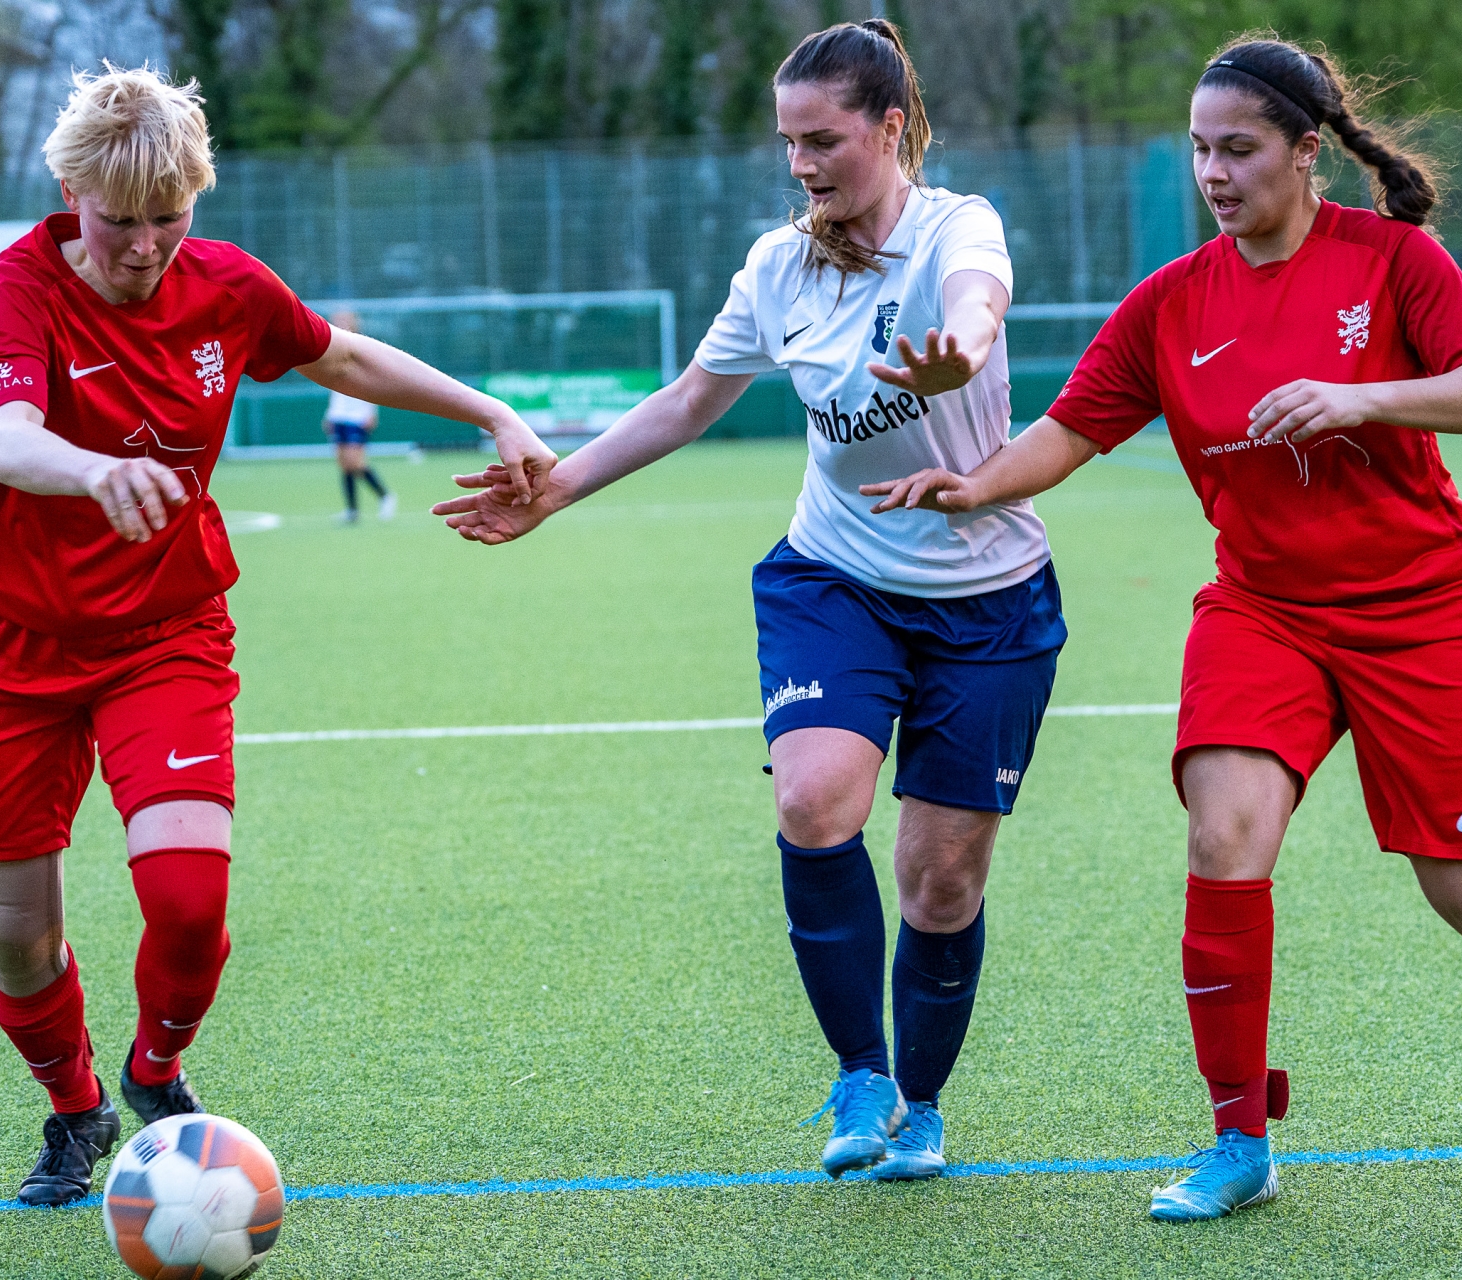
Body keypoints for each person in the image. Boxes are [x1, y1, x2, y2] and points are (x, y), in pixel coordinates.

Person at [861, 36, 1462, 1221]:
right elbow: (1073, 429)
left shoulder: (1392, 261)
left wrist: (1361, 396)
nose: (1213, 173)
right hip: (1263, 610)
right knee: (1224, 835)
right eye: (1199, 150)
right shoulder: (1173, 303)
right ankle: (1239, 1137)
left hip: (1425, 611)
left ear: (1305, 151)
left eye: (1237, 149)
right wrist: (975, 484)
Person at [435, 20, 1062, 1181]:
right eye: (788, 142)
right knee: (816, 801)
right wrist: (556, 489)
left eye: (824, 139)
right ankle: (861, 1070)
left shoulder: (955, 227)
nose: (803, 163)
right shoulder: (779, 268)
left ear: (891, 127)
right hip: (836, 577)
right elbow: (687, 400)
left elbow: (981, 300)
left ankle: (921, 1103)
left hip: (990, 600)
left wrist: (962, 349)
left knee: (941, 877)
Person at [0, 65, 554, 1206]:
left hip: (164, 629)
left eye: (168, 218)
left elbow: (342, 357)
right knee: (17, 935)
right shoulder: (20, 286)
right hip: (6, 644)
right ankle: (75, 1104)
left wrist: (490, 410)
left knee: (189, 900)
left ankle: (152, 1068)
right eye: (120, 221)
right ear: (73, 194)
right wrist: (94, 470)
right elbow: (8, 439)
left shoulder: (226, 284)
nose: (144, 246)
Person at [322, 309, 396, 522]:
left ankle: (385, 496)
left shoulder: (361, 348)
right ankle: (352, 510)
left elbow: (372, 383)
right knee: (344, 464)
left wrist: (371, 412)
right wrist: (330, 415)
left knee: (355, 463)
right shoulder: (332, 349)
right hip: (339, 416)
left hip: (357, 416)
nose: (339, 323)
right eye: (337, 320)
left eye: (344, 320)